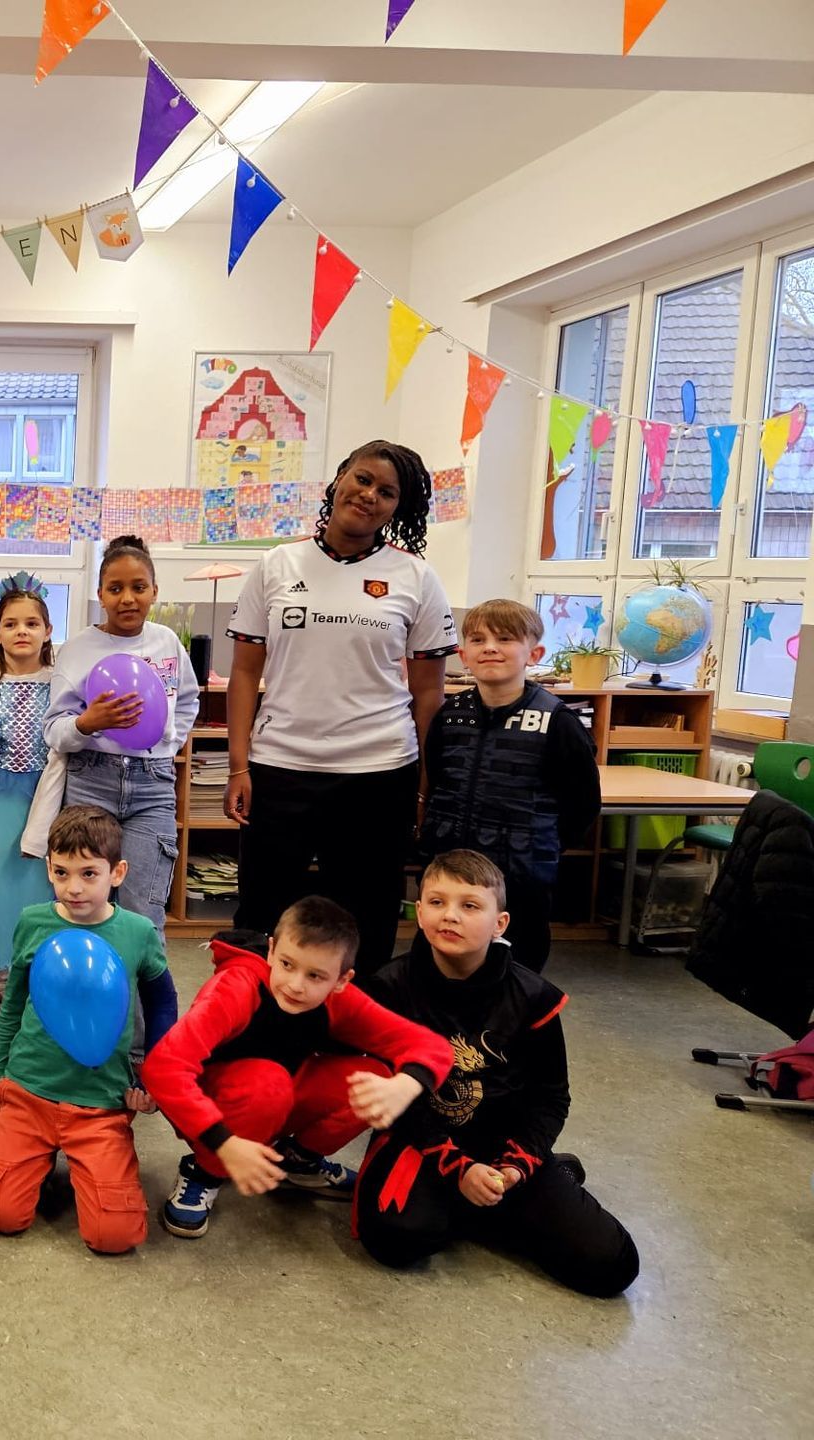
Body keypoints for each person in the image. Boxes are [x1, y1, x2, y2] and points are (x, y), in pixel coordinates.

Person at [356, 851, 640, 1298]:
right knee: (395, 1239)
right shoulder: (388, 988)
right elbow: (394, 1101)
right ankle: (482, 1205)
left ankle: (504, 1194)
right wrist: (459, 1169)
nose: (450, 915)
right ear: (419, 912)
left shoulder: (535, 997)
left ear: (499, 923)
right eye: (437, 902)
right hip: (422, 1140)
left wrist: (514, 1168)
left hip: (504, 1146)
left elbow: (551, 1098)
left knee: (612, 1265)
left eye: (470, 905)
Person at [224, 440, 457, 973]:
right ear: (340, 479)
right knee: (262, 914)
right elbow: (244, 673)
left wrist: (425, 784)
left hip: (378, 774)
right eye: (363, 479)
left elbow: (429, 693)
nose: (370, 495)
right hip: (281, 768)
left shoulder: (415, 578)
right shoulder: (277, 564)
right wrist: (239, 765)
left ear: (398, 507)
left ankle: (355, 1020)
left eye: (387, 492)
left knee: (366, 919)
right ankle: (258, 1018)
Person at [140, 897, 452, 1240]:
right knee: (269, 1083)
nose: (296, 984)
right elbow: (164, 1067)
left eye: (315, 975)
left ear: (342, 979)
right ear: (272, 950)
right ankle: (204, 1170)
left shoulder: (339, 999)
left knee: (379, 1078)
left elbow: (432, 1046)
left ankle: (299, 1160)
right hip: (212, 1104)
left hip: (279, 1093)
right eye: (287, 964)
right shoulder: (238, 985)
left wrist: (406, 1084)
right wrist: (222, 1143)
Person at [0, 806, 179, 1255]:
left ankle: (79, 1164)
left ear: (117, 873)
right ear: (48, 868)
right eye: (62, 873)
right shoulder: (33, 921)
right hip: (29, 1092)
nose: (74, 887)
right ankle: (35, 1160)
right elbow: (11, 1007)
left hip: (99, 1103)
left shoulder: (138, 932)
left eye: (89, 874)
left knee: (114, 1236)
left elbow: (163, 1004)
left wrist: (153, 1078)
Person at [419, 599, 600, 972]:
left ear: (534, 654)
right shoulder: (450, 715)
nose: (490, 648)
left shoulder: (557, 721)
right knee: (441, 966)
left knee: (517, 970)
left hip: (521, 874)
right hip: (453, 868)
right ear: (463, 656)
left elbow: (582, 803)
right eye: (478, 640)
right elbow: (437, 778)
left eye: (504, 639)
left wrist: (541, 845)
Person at [42, 535, 200, 924]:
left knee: (143, 912)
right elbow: (53, 731)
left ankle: (139, 970)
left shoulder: (167, 643)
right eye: (115, 589)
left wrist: (169, 741)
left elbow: (188, 700)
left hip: (153, 786)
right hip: (91, 781)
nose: (127, 598)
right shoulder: (78, 648)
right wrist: (87, 723)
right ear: (100, 594)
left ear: (154, 591)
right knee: (83, 903)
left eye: (138, 587)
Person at [0, 576, 66, 1037]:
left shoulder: (60, 686)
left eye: (32, 623)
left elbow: (59, 758)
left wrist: (40, 831)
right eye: (10, 623)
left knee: (40, 905)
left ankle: (37, 1010)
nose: (21, 631)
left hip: (40, 808)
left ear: (47, 631)